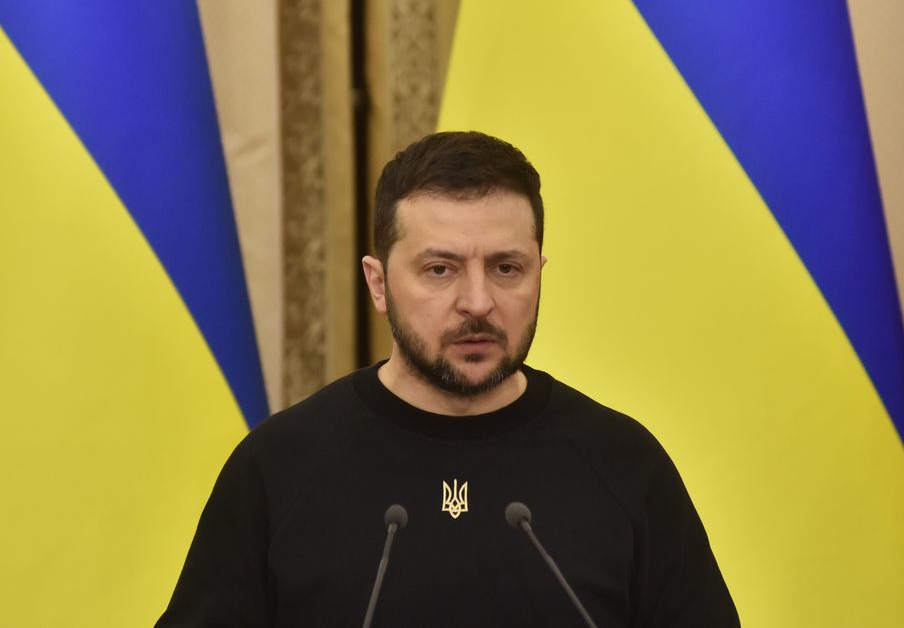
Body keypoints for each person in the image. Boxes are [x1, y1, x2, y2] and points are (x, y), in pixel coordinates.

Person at [157, 131, 738, 627]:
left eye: (506, 268)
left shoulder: (625, 465)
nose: (478, 302)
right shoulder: (279, 469)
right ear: (379, 284)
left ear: (540, 273)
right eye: (441, 270)